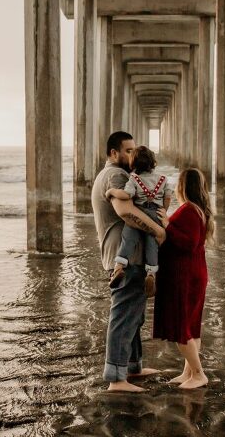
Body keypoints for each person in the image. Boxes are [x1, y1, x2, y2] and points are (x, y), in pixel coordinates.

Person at [91, 131, 166, 392]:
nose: (133, 155)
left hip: (126, 256)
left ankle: (132, 367)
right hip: (127, 257)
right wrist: (157, 230)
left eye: (135, 150)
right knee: (124, 315)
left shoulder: (115, 175)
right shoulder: (117, 176)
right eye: (128, 150)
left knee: (134, 315)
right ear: (114, 153)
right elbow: (125, 211)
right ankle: (116, 378)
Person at [154, 167, 214, 389]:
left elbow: (188, 243)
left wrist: (168, 225)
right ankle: (188, 373)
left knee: (182, 330)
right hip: (195, 272)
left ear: (182, 187)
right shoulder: (199, 210)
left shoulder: (190, 210)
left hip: (185, 275)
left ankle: (199, 374)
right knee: (192, 326)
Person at [106, 145, 173, 298]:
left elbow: (126, 195)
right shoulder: (163, 179)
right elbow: (168, 196)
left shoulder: (134, 178)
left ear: (133, 164)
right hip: (156, 215)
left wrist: (111, 192)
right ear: (153, 162)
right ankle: (150, 274)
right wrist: (164, 210)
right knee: (152, 244)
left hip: (140, 212)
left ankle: (119, 267)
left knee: (128, 238)